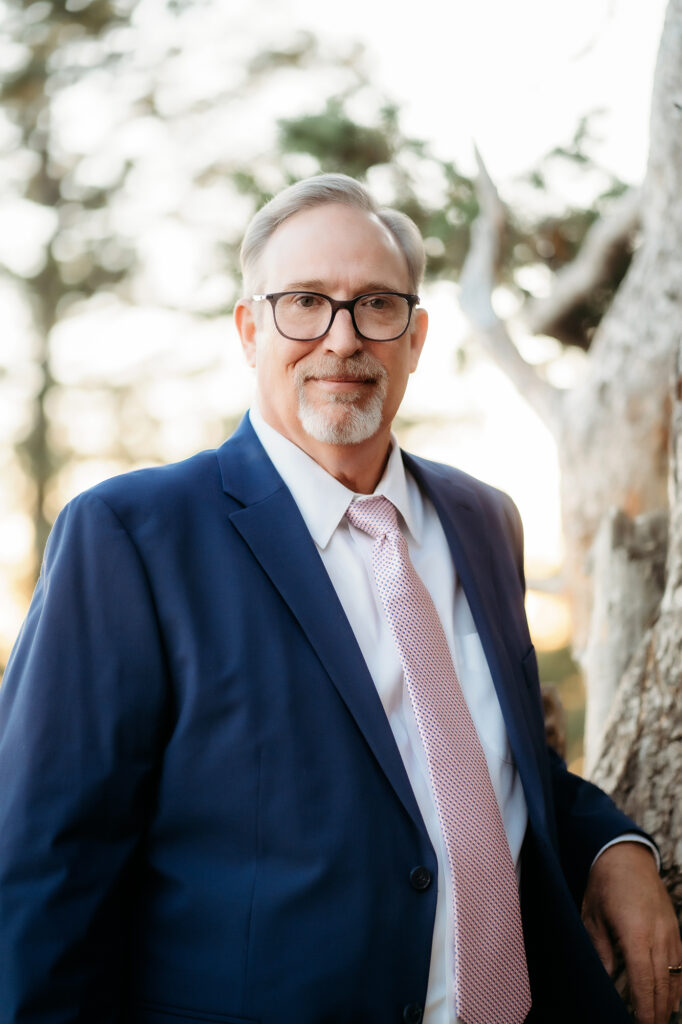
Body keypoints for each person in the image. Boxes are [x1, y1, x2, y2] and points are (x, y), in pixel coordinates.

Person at [0, 174, 679, 1024]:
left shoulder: (483, 520)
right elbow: (45, 865)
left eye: (375, 306)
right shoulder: (131, 537)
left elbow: (490, 761)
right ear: (250, 330)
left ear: (416, 336)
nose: (341, 338)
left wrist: (613, 846)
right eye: (305, 303)